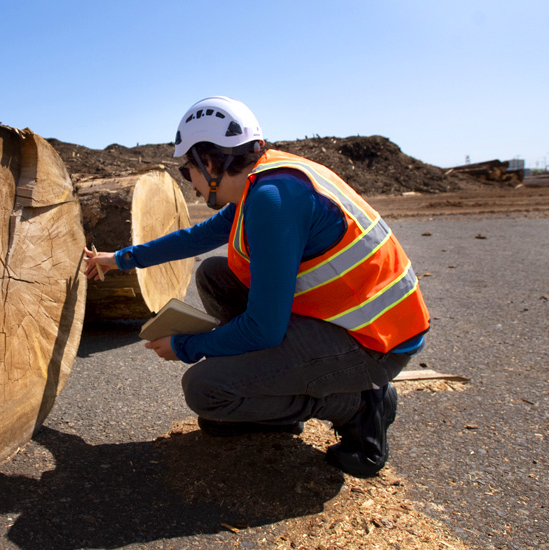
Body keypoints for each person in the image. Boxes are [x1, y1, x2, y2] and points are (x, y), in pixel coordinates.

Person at [84, 97, 430, 477]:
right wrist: (119, 259)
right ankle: (275, 397)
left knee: (204, 390)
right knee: (214, 274)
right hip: (353, 321)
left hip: (374, 344)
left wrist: (186, 346)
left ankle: (360, 405)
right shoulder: (267, 177)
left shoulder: (272, 200)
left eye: (188, 172)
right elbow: (196, 237)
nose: (192, 183)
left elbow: (264, 328)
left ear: (210, 164)